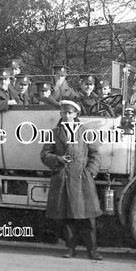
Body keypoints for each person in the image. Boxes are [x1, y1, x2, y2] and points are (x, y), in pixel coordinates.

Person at [40, 100, 102, 260]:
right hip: (64, 179)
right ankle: (71, 249)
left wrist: (90, 172)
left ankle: (93, 251)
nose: (66, 116)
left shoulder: (86, 132)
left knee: (88, 218)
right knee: (67, 217)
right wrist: (58, 159)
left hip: (82, 180)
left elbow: (95, 154)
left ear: (76, 114)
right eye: (63, 113)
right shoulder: (55, 133)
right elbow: (45, 155)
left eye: (70, 113)